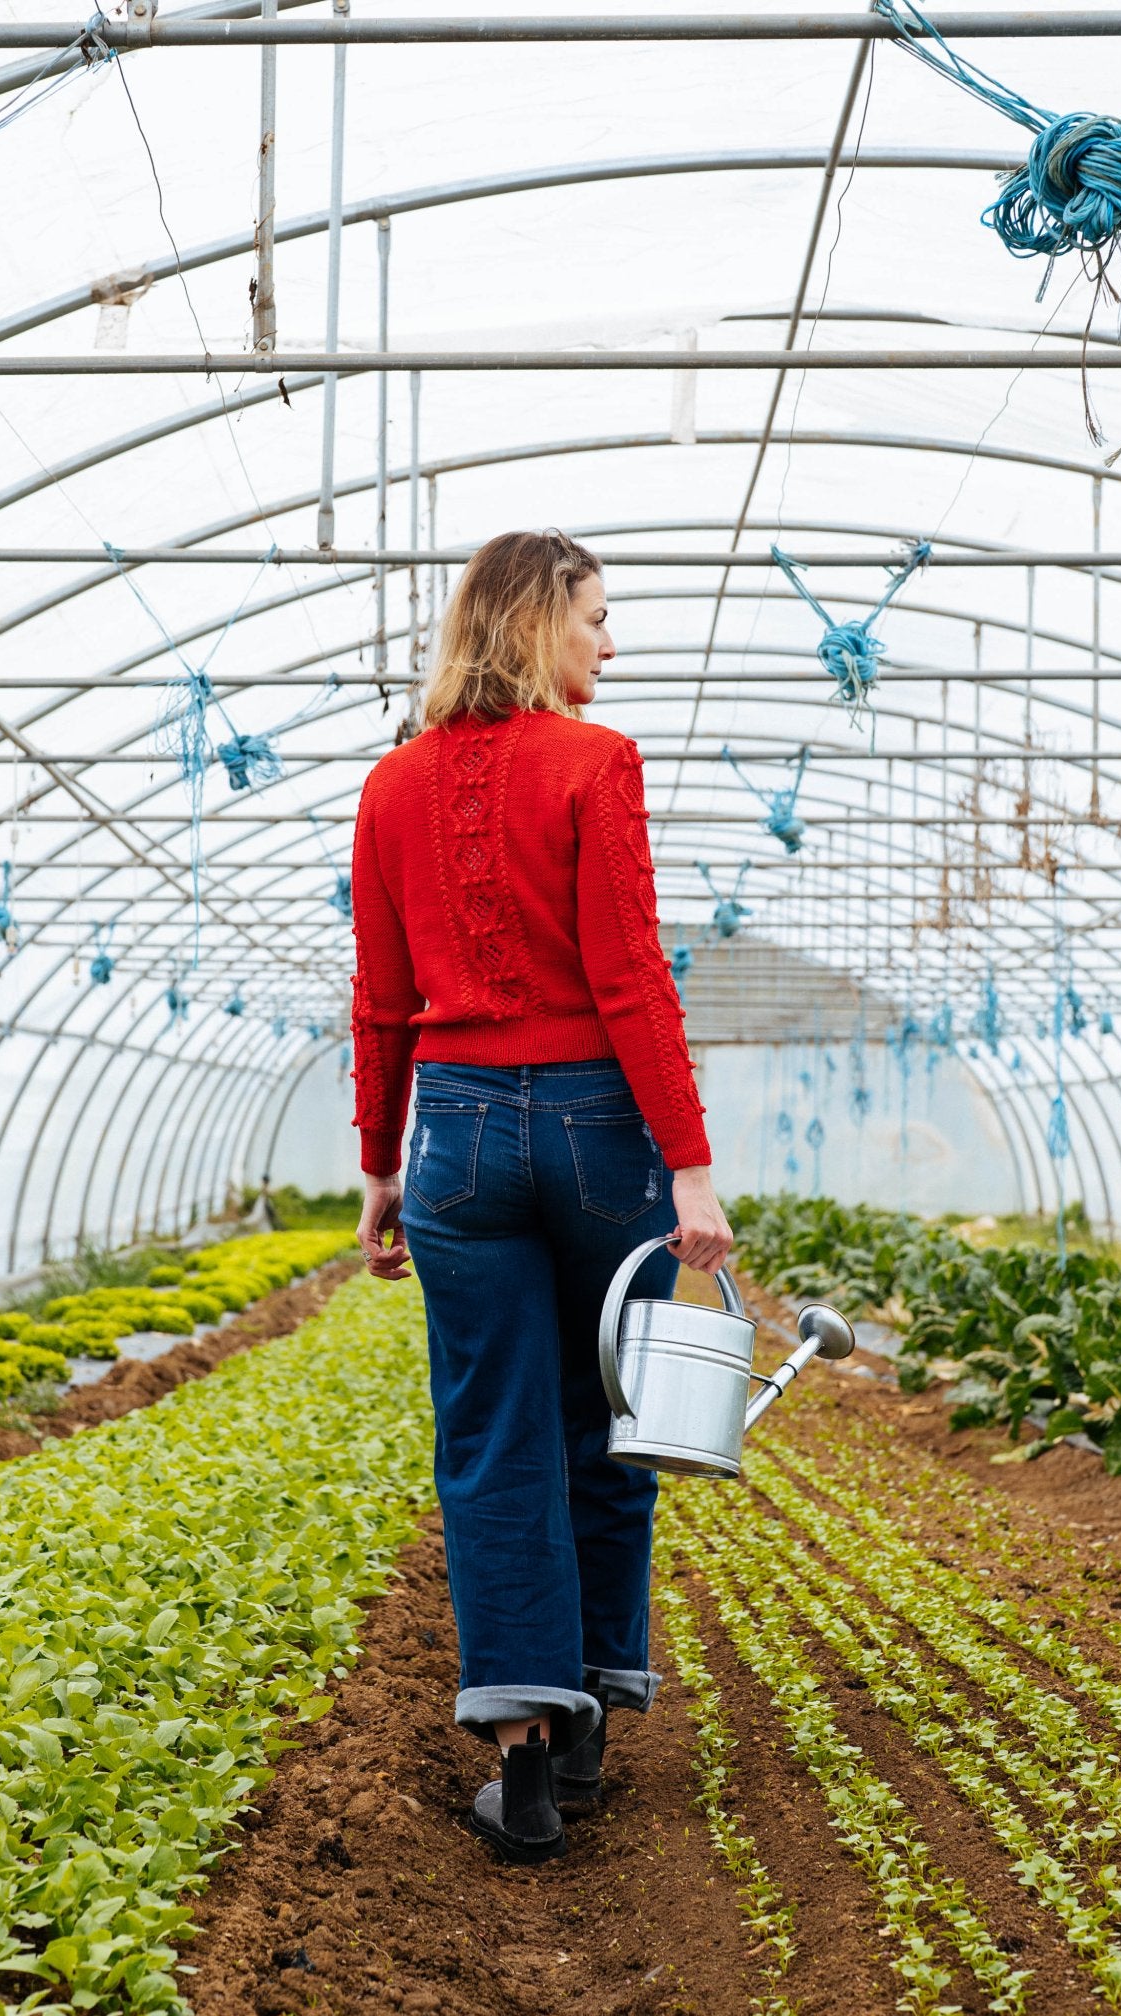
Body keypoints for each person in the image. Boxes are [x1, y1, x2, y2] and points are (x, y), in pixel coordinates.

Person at [350, 529, 733, 1864]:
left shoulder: (390, 787)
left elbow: (381, 997)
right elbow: (630, 972)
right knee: (609, 1415)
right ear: (533, 625)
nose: (608, 648)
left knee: (489, 1432)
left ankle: (517, 1755)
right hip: (591, 1126)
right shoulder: (596, 763)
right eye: (594, 620)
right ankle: (587, 1726)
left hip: (452, 1130)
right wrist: (686, 1163)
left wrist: (383, 1168)